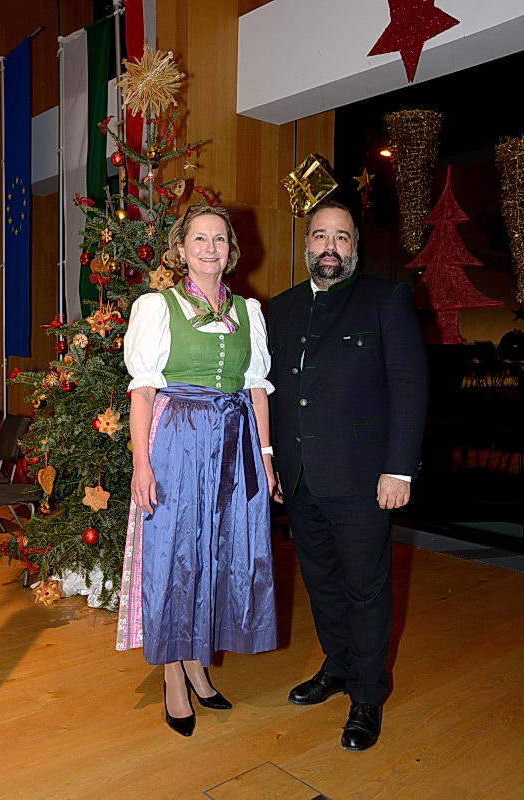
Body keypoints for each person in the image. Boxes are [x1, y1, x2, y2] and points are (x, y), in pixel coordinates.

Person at [268, 200, 428, 751]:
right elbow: (274, 393)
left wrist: (398, 469)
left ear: (355, 246)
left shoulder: (386, 298)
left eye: (341, 236)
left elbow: (409, 388)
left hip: (364, 479)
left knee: (365, 589)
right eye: (320, 235)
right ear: (307, 244)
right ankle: (337, 666)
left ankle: (367, 693)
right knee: (321, 583)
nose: (329, 246)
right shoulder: (281, 308)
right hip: (300, 478)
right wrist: (275, 462)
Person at [116, 205, 278, 737]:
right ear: (180, 249)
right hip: (177, 442)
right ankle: (174, 674)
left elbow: (256, 391)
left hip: (235, 446)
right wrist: (142, 465)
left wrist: (266, 458)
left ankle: (196, 664)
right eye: (200, 239)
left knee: (218, 555)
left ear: (231, 250)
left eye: (220, 239)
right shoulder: (157, 307)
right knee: (175, 556)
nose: (211, 249)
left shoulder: (248, 312)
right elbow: (142, 392)